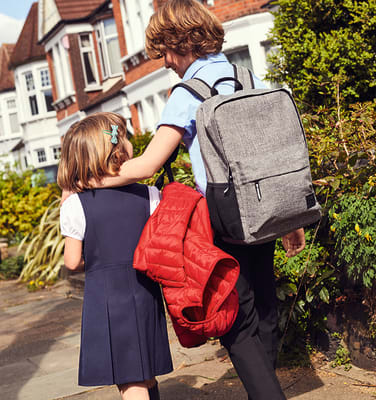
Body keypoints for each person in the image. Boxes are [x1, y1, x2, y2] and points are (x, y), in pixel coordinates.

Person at [61, 1, 305, 398]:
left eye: (165, 53)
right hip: (266, 207)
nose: (164, 63)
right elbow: (272, 151)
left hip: (225, 216)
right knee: (264, 311)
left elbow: (145, 166)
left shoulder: (188, 92)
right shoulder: (247, 76)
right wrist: (290, 219)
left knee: (235, 321)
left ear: (180, 43)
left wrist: (87, 179)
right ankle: (268, 385)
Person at [57, 112, 173, 400]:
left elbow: (72, 261)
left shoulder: (76, 204)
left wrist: (95, 260)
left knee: (129, 380)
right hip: (144, 288)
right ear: (119, 150)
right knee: (145, 369)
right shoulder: (150, 195)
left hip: (106, 296)